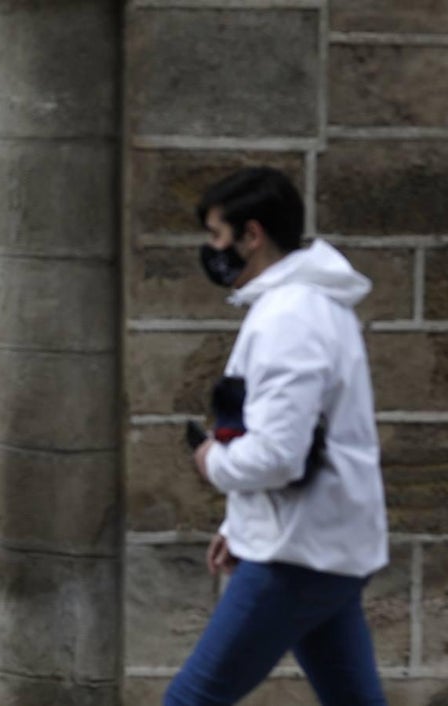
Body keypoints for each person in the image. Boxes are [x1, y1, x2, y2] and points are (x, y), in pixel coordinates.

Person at [165, 167, 390, 705]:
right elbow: (301, 438)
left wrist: (210, 462)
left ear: (253, 235)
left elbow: (277, 455)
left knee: (190, 700)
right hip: (318, 545)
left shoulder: (291, 317)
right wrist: (239, 523)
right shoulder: (307, 307)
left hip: (293, 554)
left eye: (218, 235)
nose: (211, 250)